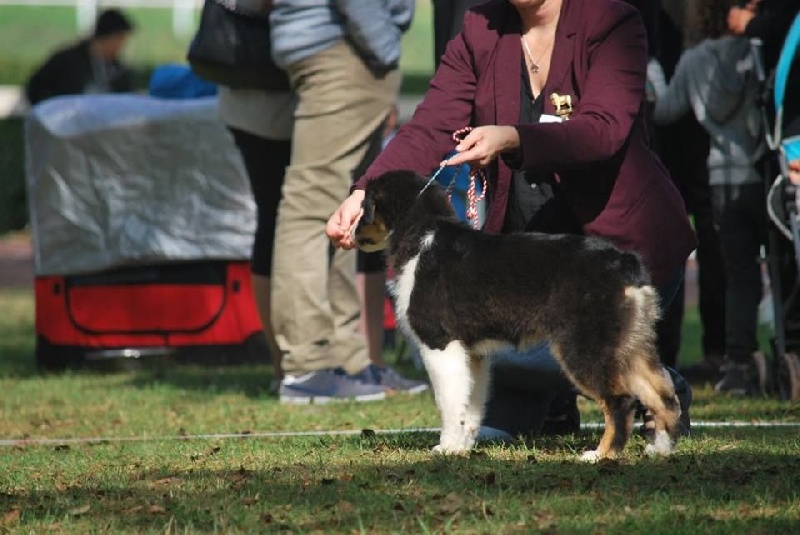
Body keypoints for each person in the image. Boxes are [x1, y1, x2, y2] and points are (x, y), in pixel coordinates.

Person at [327, 0, 696, 437]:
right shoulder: (480, 28)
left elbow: (603, 129)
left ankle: (648, 381)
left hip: (621, 253)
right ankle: (557, 400)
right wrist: (366, 190)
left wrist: (514, 137)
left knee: (519, 345)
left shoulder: (612, 21)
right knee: (429, 319)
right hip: (530, 268)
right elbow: (429, 126)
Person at [268, 0, 427, 403]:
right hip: (343, 48)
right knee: (310, 208)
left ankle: (345, 359)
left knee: (340, 206)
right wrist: (384, 45)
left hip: (332, 44)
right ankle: (307, 366)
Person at [649, 0, 769, 395]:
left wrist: (653, 80)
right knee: (757, 269)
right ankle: (743, 353)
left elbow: (665, 111)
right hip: (760, 172)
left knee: (737, 274)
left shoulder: (693, 59)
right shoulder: (758, 52)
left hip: (720, 172)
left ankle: (735, 359)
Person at [26, 8, 135, 105]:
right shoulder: (67, 61)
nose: (122, 45)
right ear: (106, 37)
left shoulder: (118, 69)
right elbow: (35, 88)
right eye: (120, 39)